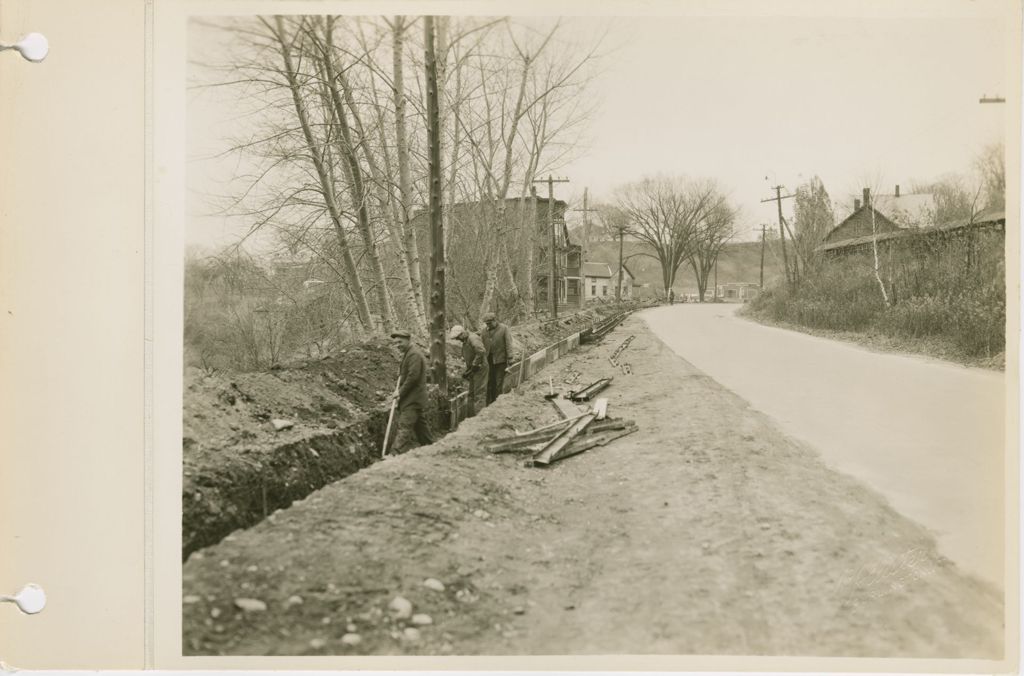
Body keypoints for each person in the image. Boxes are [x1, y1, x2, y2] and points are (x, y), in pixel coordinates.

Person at [388, 330, 434, 453]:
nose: (398, 345)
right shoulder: (409, 354)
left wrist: (400, 392)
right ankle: (431, 447)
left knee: (404, 426)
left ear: (408, 340)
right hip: (414, 398)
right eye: (395, 343)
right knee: (421, 427)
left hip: (413, 398)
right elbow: (407, 374)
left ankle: (395, 453)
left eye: (400, 342)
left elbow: (413, 377)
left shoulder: (414, 355)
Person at [448, 324, 488, 417]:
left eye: (458, 338)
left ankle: (480, 417)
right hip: (474, 369)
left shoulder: (473, 338)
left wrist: (474, 365)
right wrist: (468, 370)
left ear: (462, 333)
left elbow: (481, 351)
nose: (458, 340)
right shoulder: (466, 341)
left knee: (479, 393)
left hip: (480, 368)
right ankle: (470, 417)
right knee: (471, 393)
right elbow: (470, 356)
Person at [480, 312, 515, 405]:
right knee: (490, 382)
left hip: (500, 360)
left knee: (498, 381)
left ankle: (497, 402)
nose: (488, 325)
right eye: (486, 324)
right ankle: (490, 402)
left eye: (490, 323)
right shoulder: (484, 331)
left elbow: (508, 344)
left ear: (495, 321)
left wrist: (510, 357)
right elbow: (481, 345)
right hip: (489, 360)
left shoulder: (504, 329)